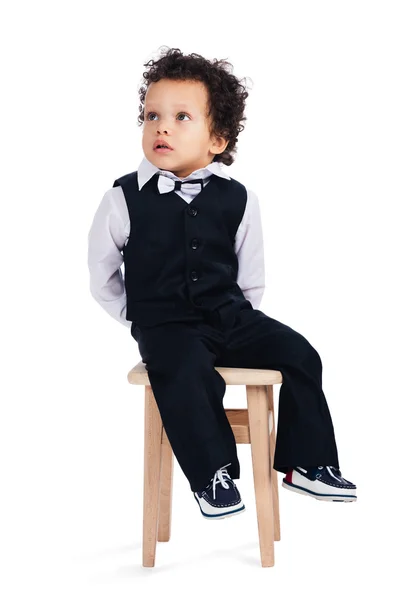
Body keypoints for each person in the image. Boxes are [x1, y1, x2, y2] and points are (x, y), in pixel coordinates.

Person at [87, 46, 357, 520]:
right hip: (167, 324)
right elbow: (103, 274)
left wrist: (241, 321)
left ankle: (307, 464)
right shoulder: (123, 197)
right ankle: (213, 473)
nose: (161, 127)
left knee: (300, 354)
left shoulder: (239, 198)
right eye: (152, 115)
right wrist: (141, 318)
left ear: (217, 138)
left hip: (229, 317)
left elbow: (250, 275)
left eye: (181, 116)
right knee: (185, 370)